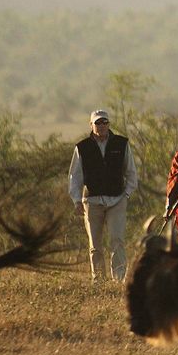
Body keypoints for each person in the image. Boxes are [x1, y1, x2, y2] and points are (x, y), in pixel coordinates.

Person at [69, 109, 138, 282]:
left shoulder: (122, 144)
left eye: (104, 122)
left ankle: (119, 279)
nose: (101, 126)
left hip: (117, 200)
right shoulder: (82, 147)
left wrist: (126, 194)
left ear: (109, 124)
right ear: (91, 125)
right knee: (95, 245)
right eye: (97, 123)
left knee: (117, 240)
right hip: (92, 201)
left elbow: (130, 171)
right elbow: (75, 176)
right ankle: (98, 280)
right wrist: (77, 200)